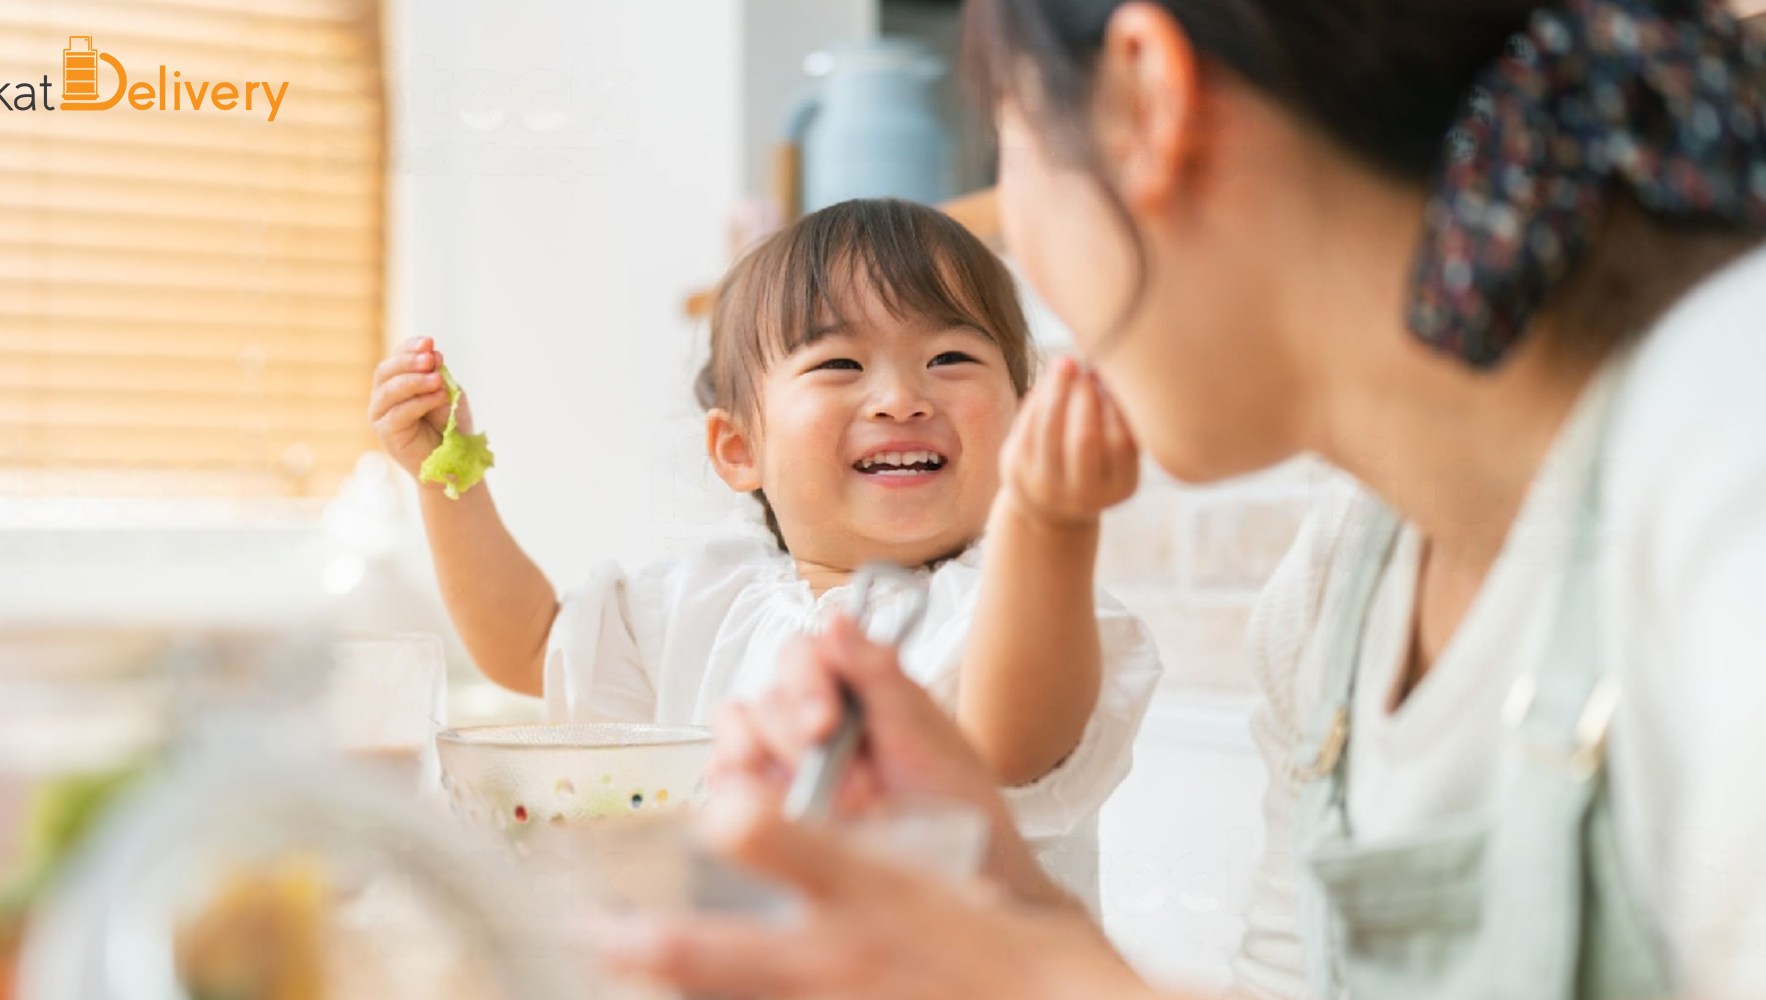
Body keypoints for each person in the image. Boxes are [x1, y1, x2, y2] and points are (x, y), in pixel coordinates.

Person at [593, 0, 1766, 997]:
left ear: (1145, 102)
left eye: (1007, 150)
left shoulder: (1728, 445)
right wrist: (1011, 902)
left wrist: (1042, 975)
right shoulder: (1336, 592)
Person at [366, 198, 1163, 907]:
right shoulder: (697, 605)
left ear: (1022, 418)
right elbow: (532, 648)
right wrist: (449, 483)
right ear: (740, 448)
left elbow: (1009, 746)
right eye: (841, 364)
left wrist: (1051, 524)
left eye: (950, 358)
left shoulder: (1022, 614)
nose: (900, 397)